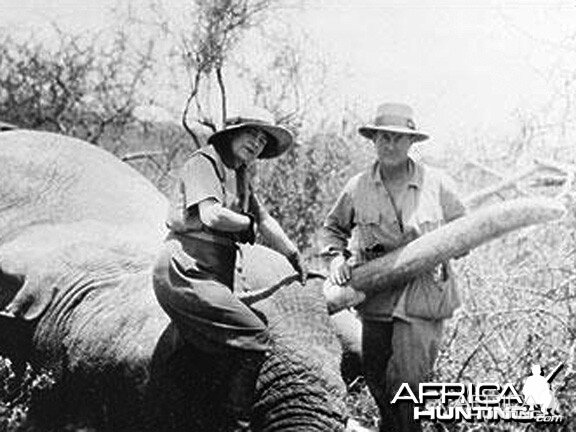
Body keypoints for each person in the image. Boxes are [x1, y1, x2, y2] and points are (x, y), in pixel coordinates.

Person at [152, 107, 307, 431]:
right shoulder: (203, 163)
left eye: (264, 139)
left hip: (213, 272)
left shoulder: (240, 174)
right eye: (252, 133)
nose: (257, 143)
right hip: (186, 269)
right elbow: (212, 216)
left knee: (202, 358)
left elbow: (264, 220)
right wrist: (246, 224)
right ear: (231, 133)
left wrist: (292, 253)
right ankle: (235, 425)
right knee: (252, 335)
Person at [320, 103, 466, 432]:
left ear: (411, 142)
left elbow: (463, 229)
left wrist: (448, 249)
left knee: (407, 383)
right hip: (375, 292)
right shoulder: (357, 187)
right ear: (373, 140)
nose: (390, 145)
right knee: (375, 374)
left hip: (423, 294)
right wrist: (336, 257)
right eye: (384, 137)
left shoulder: (437, 183)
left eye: (398, 139)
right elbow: (332, 229)